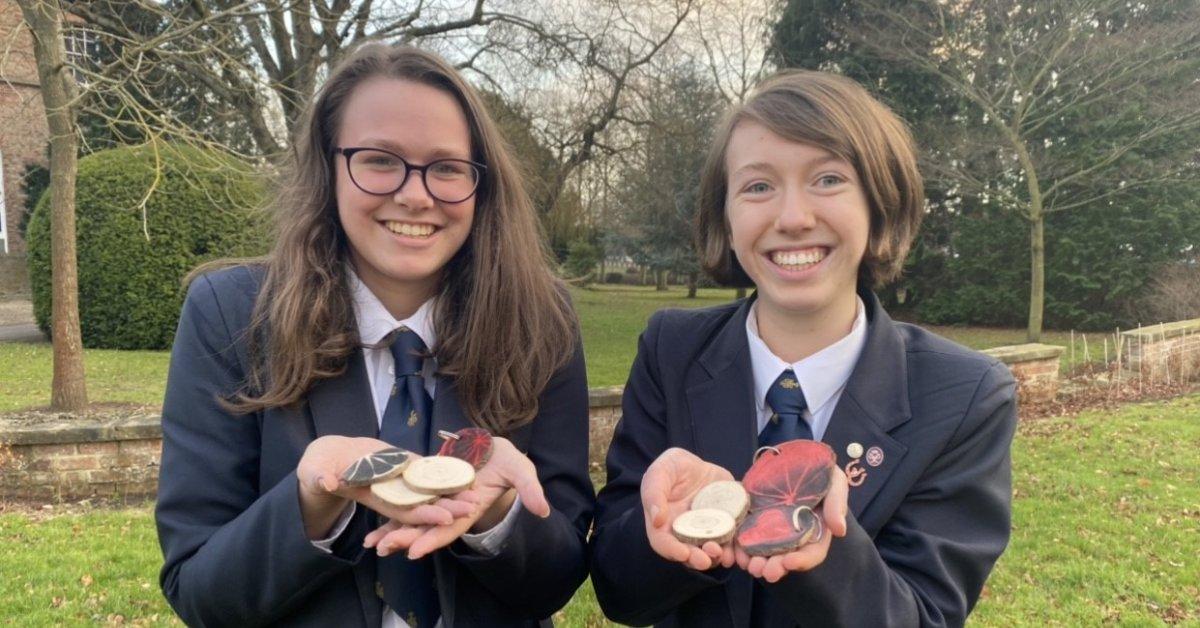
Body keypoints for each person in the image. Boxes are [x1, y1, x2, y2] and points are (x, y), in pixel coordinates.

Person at [155, 43, 593, 628]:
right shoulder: (232, 315)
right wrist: (312, 501)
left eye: (447, 167)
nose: (415, 194)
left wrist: (500, 512)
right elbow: (200, 593)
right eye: (380, 160)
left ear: (481, 186)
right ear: (329, 167)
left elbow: (558, 578)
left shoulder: (541, 321)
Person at [589, 70, 1016, 627]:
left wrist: (824, 550)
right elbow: (619, 592)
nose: (792, 218)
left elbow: (925, 615)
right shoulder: (671, 351)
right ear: (727, 217)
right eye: (757, 187)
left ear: (878, 204)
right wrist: (662, 532)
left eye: (828, 179)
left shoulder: (964, 396)